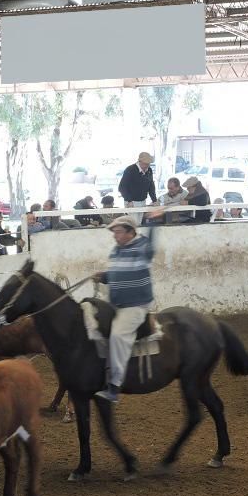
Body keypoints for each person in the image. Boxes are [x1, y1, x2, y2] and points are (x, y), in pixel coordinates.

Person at [92, 212, 163, 403]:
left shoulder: (142, 247)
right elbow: (118, 274)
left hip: (135, 305)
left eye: (118, 232)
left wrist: (153, 222)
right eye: (114, 232)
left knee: (118, 335)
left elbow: (152, 247)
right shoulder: (116, 250)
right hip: (115, 303)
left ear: (131, 232)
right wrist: (105, 276)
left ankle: (114, 386)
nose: (115, 235)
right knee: (91, 326)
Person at [118, 152, 156, 224]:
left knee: (139, 223)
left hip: (142, 201)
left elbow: (151, 186)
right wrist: (129, 200)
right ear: (140, 161)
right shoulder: (130, 170)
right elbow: (122, 187)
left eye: (148, 164)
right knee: (133, 224)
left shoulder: (149, 170)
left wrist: (154, 200)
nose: (147, 165)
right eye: (145, 163)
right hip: (132, 202)